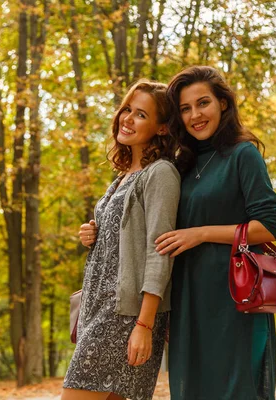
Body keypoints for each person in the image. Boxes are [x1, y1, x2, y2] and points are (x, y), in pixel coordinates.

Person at [154, 66, 276, 400]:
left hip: (235, 297)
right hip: (187, 299)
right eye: (185, 108)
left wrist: (201, 233)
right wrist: (97, 226)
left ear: (223, 104)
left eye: (203, 103)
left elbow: (267, 226)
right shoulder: (182, 165)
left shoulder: (244, 155)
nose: (195, 115)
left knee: (236, 389)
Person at [62, 80, 180, 400]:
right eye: (127, 109)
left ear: (162, 129)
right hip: (98, 308)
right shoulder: (123, 175)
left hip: (126, 317)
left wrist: (144, 325)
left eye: (141, 114)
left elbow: (159, 251)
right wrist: (95, 234)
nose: (127, 118)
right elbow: (124, 242)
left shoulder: (160, 174)